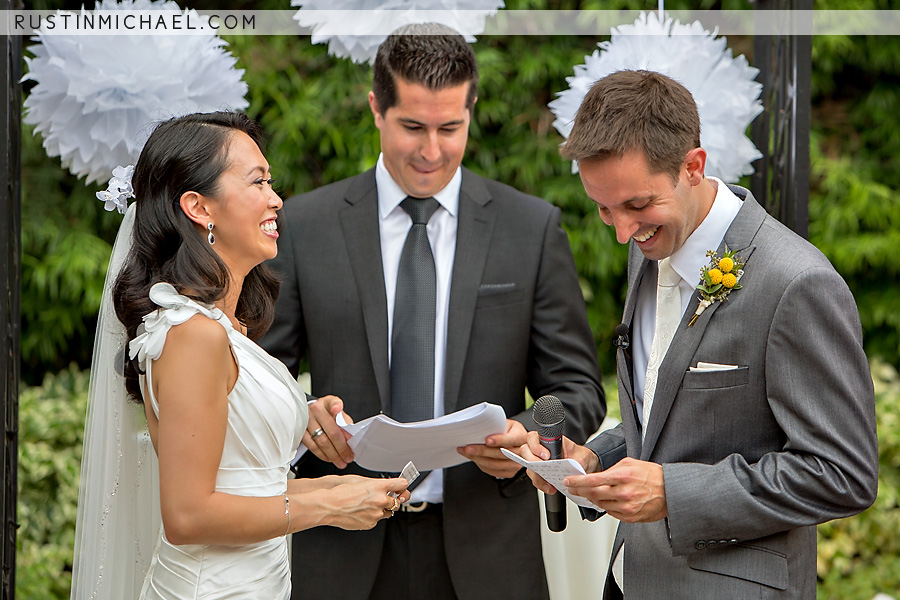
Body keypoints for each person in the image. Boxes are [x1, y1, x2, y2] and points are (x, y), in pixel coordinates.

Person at [259, 24, 606, 600]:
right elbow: (256, 374)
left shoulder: (530, 228)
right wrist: (304, 419)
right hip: (342, 545)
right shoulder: (306, 225)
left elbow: (574, 387)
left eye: (451, 128)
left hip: (490, 552)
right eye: (412, 127)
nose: (431, 150)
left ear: (472, 110)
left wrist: (527, 439)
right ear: (377, 108)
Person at [517, 69, 879, 599]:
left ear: (693, 166)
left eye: (637, 205)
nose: (621, 231)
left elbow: (842, 474)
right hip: (631, 580)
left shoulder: (796, 283)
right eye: (603, 208)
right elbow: (670, 413)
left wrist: (673, 492)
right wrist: (600, 457)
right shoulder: (648, 251)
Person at [70, 111, 410, 600]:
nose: (276, 199)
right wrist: (329, 510)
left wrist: (345, 491)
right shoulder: (192, 334)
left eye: (271, 182)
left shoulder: (222, 327)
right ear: (198, 207)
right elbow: (189, 516)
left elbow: (248, 484)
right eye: (257, 182)